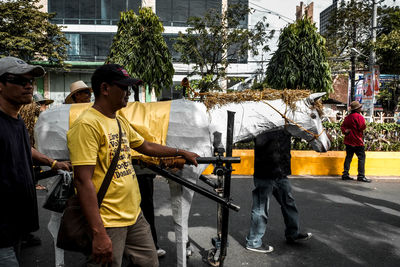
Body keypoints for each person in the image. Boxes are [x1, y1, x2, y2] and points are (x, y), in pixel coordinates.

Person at [66, 64, 199, 267]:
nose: (129, 92)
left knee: (150, 263)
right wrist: (98, 232)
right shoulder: (87, 125)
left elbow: (145, 145)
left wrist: (180, 152)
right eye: (124, 87)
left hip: (134, 215)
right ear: (105, 88)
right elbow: (83, 181)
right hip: (109, 221)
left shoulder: (119, 121)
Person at [0, 56, 71, 266]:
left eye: (31, 81)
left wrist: (53, 163)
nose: (28, 86)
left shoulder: (16, 120)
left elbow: (26, 148)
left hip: (16, 227)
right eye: (20, 81)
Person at [245, 130, 312, 253]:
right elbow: (246, 136)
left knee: (289, 203)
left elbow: (302, 132)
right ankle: (253, 242)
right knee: (261, 208)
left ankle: (293, 234)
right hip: (265, 173)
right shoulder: (263, 124)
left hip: (281, 173)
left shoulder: (285, 125)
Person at [341, 101, 371, 183]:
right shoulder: (359, 117)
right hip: (357, 141)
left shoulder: (347, 117)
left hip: (348, 141)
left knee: (348, 158)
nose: (361, 108)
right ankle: (361, 176)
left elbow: (343, 127)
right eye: (360, 107)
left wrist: (345, 131)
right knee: (361, 158)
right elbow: (362, 127)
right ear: (357, 109)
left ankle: (345, 174)